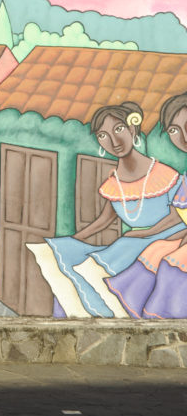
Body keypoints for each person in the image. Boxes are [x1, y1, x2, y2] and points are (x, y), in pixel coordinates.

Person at [28, 102, 182, 317]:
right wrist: (72, 240)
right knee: (63, 258)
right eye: (103, 135)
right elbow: (103, 221)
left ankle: (116, 310)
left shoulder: (165, 174)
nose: (114, 141)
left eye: (118, 129)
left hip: (166, 237)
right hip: (132, 241)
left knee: (99, 265)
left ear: (133, 129)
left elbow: (181, 216)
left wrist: (147, 234)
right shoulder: (114, 183)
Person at [105, 93, 187, 318]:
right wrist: (151, 234)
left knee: (172, 265)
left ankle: (163, 319)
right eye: (174, 130)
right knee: (153, 252)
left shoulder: (164, 174)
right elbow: (179, 214)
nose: (184, 137)